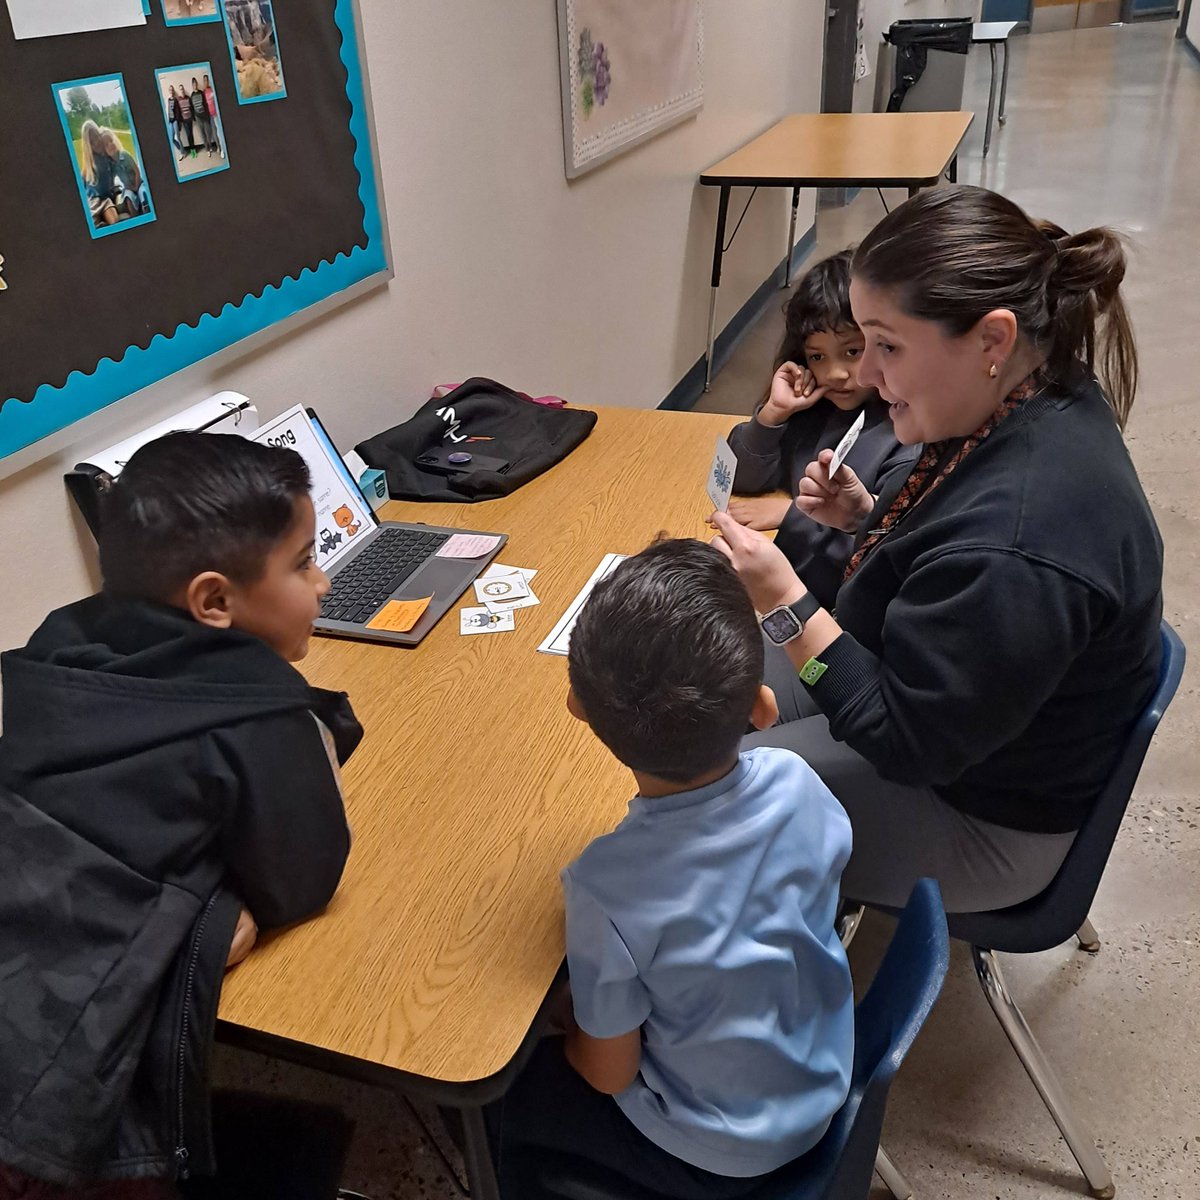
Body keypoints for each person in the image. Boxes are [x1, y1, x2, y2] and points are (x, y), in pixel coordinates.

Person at [710, 185, 1163, 915]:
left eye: (885, 346)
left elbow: (904, 740)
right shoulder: (1032, 388)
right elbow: (954, 551)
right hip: (946, 713)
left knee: (706, 803)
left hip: (981, 811)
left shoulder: (1020, 539)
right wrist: (868, 518)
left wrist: (789, 603)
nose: (863, 377)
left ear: (992, 339)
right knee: (707, 674)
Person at [0, 433, 362, 1189]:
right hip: (64, 1093)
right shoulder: (259, 719)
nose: (322, 581)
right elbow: (303, 881)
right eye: (302, 562)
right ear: (214, 600)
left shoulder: (61, 641)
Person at [490, 539, 854, 1199]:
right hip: (824, 1081)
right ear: (763, 709)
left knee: (502, 1094)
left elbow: (607, 1075)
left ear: (578, 708)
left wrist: (574, 1024)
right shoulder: (799, 781)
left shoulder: (605, 887)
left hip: (713, 1155)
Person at [727, 250, 918, 608]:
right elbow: (742, 479)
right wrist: (772, 416)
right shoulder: (815, 409)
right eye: (817, 357)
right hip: (775, 582)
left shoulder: (906, 432)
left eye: (852, 351)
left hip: (827, 606)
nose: (834, 374)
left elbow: (887, 537)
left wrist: (792, 516)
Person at [79, 120, 142, 225]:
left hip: (107, 199)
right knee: (93, 221)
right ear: (88, 145)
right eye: (92, 141)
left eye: (96, 137)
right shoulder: (91, 163)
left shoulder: (108, 157)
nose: (96, 142)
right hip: (94, 201)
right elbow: (83, 179)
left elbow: (120, 164)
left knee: (114, 219)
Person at [191, 77, 216, 156]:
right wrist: (194, 117)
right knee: (202, 134)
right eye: (193, 84)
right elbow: (192, 107)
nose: (194, 85)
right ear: (192, 85)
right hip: (198, 117)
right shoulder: (192, 95)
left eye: (195, 83)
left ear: (197, 84)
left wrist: (207, 114)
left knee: (208, 132)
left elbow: (205, 103)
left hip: (205, 115)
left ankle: (210, 145)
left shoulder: (201, 93)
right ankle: (207, 149)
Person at [203, 73, 223, 157]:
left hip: (216, 114)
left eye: (207, 80)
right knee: (214, 133)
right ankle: (219, 147)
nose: (206, 82)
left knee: (219, 132)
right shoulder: (203, 92)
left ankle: (222, 148)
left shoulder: (212, 90)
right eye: (204, 80)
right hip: (210, 115)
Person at [177, 86, 196, 157]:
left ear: (184, 90)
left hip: (190, 119)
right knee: (188, 135)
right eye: (180, 89)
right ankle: (192, 151)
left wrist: (193, 117)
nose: (182, 90)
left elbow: (192, 107)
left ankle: (193, 149)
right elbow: (178, 111)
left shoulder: (188, 98)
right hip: (184, 120)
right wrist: (180, 121)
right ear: (179, 91)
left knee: (191, 134)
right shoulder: (178, 99)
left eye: (182, 89)